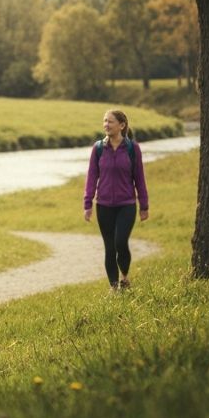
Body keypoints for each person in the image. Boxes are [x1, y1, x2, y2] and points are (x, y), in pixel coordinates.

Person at [84, 108, 149, 291]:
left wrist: (144, 205)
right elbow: (91, 177)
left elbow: (139, 178)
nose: (106, 124)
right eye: (104, 121)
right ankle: (114, 287)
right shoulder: (98, 149)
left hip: (126, 204)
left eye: (110, 121)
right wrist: (87, 203)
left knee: (120, 242)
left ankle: (125, 276)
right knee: (109, 247)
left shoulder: (132, 148)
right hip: (103, 205)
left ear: (122, 125)